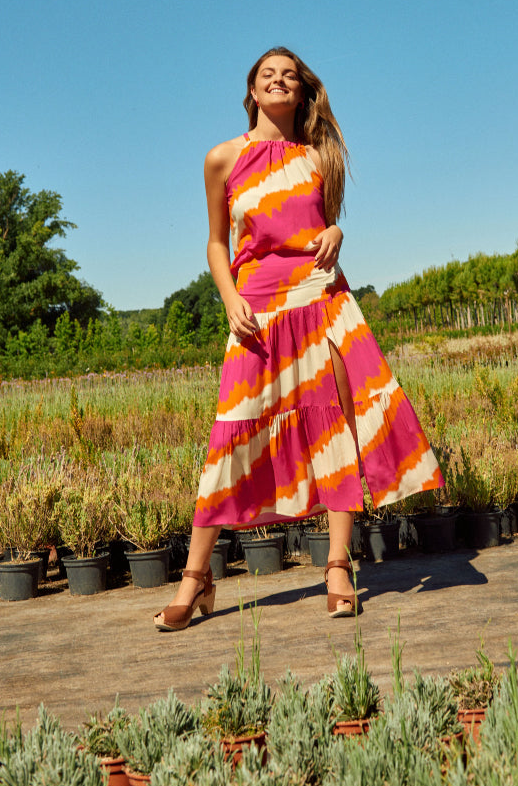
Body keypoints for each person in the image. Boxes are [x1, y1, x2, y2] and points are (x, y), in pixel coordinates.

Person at [154, 47, 443, 631]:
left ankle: (337, 567)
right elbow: (216, 242)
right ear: (252, 91)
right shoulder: (223, 158)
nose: (279, 80)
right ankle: (196, 577)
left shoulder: (318, 157)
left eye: (290, 75)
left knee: (333, 424)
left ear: (302, 91)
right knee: (232, 434)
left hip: (320, 299)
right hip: (256, 310)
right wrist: (229, 298)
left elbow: (323, 224)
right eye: (268, 74)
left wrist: (337, 231)